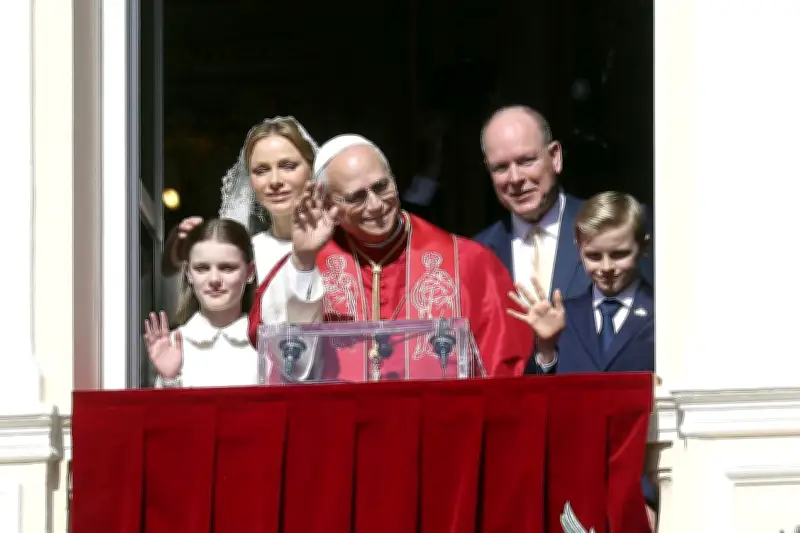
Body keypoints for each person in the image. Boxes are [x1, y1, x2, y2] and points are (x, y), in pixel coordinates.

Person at [248, 134, 534, 382]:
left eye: (381, 187)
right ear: (328, 203)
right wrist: (303, 261)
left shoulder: (469, 262)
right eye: (356, 197)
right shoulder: (310, 262)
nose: (375, 205)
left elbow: (503, 368)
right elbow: (280, 357)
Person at [506, 191, 657, 518]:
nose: (606, 268)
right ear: (578, 249)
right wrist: (545, 348)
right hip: (570, 491)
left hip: (644, 490)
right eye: (594, 256)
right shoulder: (562, 317)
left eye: (619, 254)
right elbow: (534, 410)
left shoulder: (665, 316)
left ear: (643, 247)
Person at [474, 105, 653, 373]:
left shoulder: (616, 230)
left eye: (526, 161)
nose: (515, 178)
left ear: (555, 157)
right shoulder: (477, 253)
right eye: (501, 167)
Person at [161, 116, 319, 285]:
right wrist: (176, 250)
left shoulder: (342, 244)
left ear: (311, 169)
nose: (274, 181)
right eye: (261, 170)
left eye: (288, 166)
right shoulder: (245, 253)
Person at [145, 218, 258, 388]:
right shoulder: (172, 344)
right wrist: (169, 380)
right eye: (202, 268)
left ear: (250, 272)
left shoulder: (267, 344)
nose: (214, 279)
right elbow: (163, 414)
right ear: (188, 273)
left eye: (227, 268)